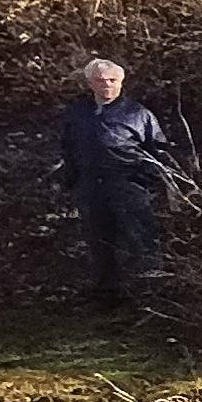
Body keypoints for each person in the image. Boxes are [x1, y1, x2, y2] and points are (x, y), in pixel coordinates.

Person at [57, 54, 172, 298]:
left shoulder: (138, 114)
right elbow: (67, 146)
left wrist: (144, 179)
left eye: (112, 80)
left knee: (140, 238)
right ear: (90, 83)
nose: (107, 85)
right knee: (98, 240)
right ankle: (106, 293)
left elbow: (158, 150)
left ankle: (151, 293)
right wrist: (72, 180)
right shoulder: (77, 113)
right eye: (100, 80)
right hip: (90, 185)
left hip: (128, 184)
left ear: (121, 82)